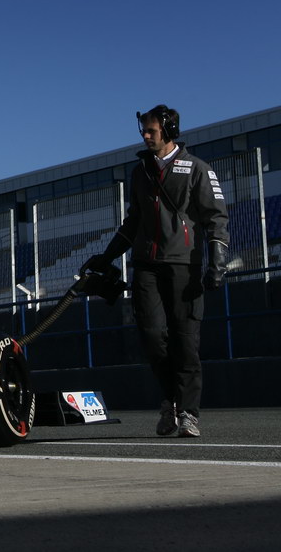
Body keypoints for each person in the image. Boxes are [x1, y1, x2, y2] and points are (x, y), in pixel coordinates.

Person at [85, 105, 229, 438]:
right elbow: (133, 221)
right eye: (143, 131)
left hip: (184, 266)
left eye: (151, 131)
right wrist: (106, 257)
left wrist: (216, 261)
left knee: (186, 341)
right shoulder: (140, 172)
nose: (145, 136)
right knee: (152, 338)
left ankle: (188, 412)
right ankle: (170, 402)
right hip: (145, 266)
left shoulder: (197, 169)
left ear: (169, 130)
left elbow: (216, 218)